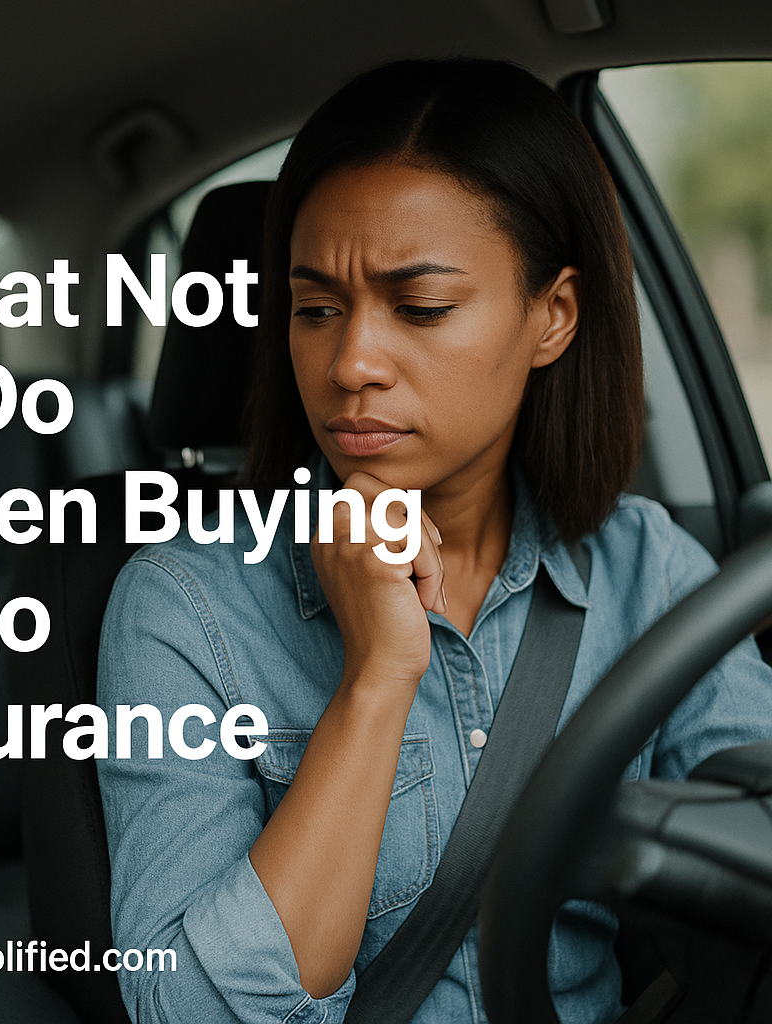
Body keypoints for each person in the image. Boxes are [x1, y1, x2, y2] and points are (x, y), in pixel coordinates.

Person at [96, 59, 772, 1024]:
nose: (352, 363)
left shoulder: (650, 571)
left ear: (554, 316)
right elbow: (197, 1013)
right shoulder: (187, 608)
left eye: (421, 308)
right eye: (315, 308)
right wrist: (375, 683)